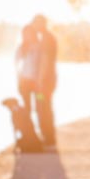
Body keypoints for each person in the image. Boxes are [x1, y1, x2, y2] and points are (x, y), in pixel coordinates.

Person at [32, 14, 57, 149]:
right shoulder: (47, 38)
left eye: (36, 23)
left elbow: (45, 61)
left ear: (42, 23)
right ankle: (48, 138)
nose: (34, 26)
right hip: (47, 81)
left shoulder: (47, 39)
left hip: (44, 83)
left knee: (43, 108)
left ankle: (49, 139)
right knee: (44, 107)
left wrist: (39, 82)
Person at [14, 23, 40, 117]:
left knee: (40, 102)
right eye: (25, 34)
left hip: (37, 83)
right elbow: (16, 65)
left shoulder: (39, 46)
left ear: (33, 34)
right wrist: (19, 81)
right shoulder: (21, 48)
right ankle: (29, 128)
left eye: (29, 33)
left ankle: (41, 126)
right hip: (25, 83)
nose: (27, 36)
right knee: (27, 106)